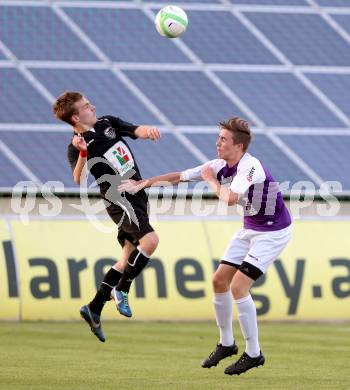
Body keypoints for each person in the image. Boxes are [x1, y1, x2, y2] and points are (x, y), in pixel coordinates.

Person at [119, 117, 292, 375]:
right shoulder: (220, 165)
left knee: (238, 286)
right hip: (250, 229)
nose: (217, 143)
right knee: (219, 282)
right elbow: (180, 176)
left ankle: (254, 353)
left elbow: (230, 198)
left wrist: (210, 180)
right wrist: (143, 184)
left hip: (273, 232)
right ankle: (226, 344)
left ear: (239, 146)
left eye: (223, 139)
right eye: (219, 138)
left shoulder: (250, 166)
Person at [52, 91, 160, 342]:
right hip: (118, 201)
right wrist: (81, 154)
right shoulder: (78, 144)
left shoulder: (107, 123)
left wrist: (149, 131)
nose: (93, 107)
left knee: (127, 257)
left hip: (137, 194)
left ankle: (95, 306)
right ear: (77, 117)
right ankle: (122, 288)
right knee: (151, 242)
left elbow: (135, 130)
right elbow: (77, 178)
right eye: (87, 106)